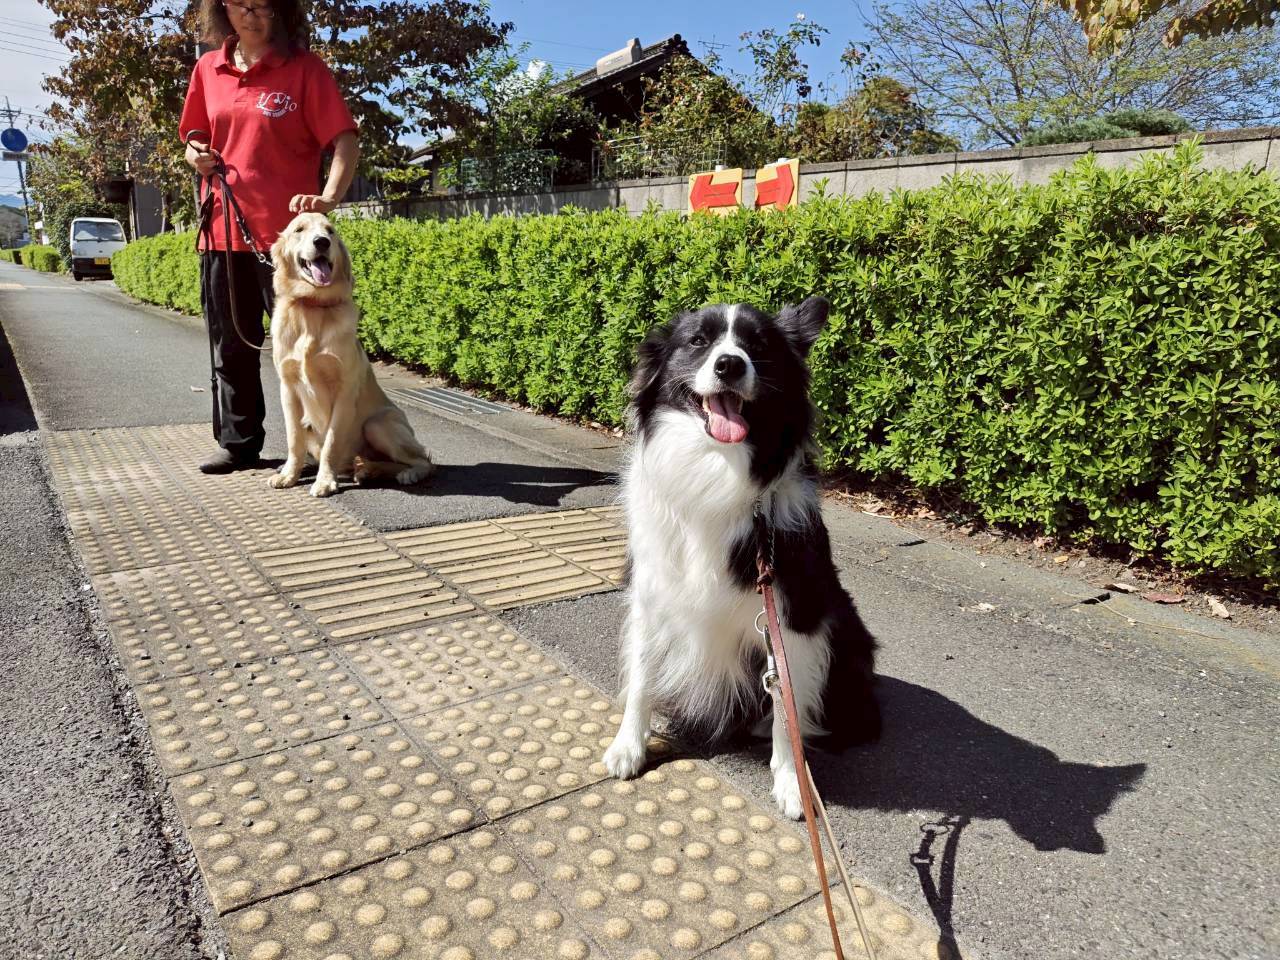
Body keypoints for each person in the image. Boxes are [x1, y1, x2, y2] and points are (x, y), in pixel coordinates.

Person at [180, 0, 359, 473]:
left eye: (261, 5)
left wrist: (328, 198)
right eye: (240, 4)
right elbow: (193, 137)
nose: (250, 14)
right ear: (222, 9)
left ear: (280, 10)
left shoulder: (304, 69)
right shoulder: (208, 68)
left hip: (292, 247)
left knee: (313, 348)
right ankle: (238, 444)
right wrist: (194, 155)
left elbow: (345, 138)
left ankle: (326, 446)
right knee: (230, 345)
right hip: (223, 233)